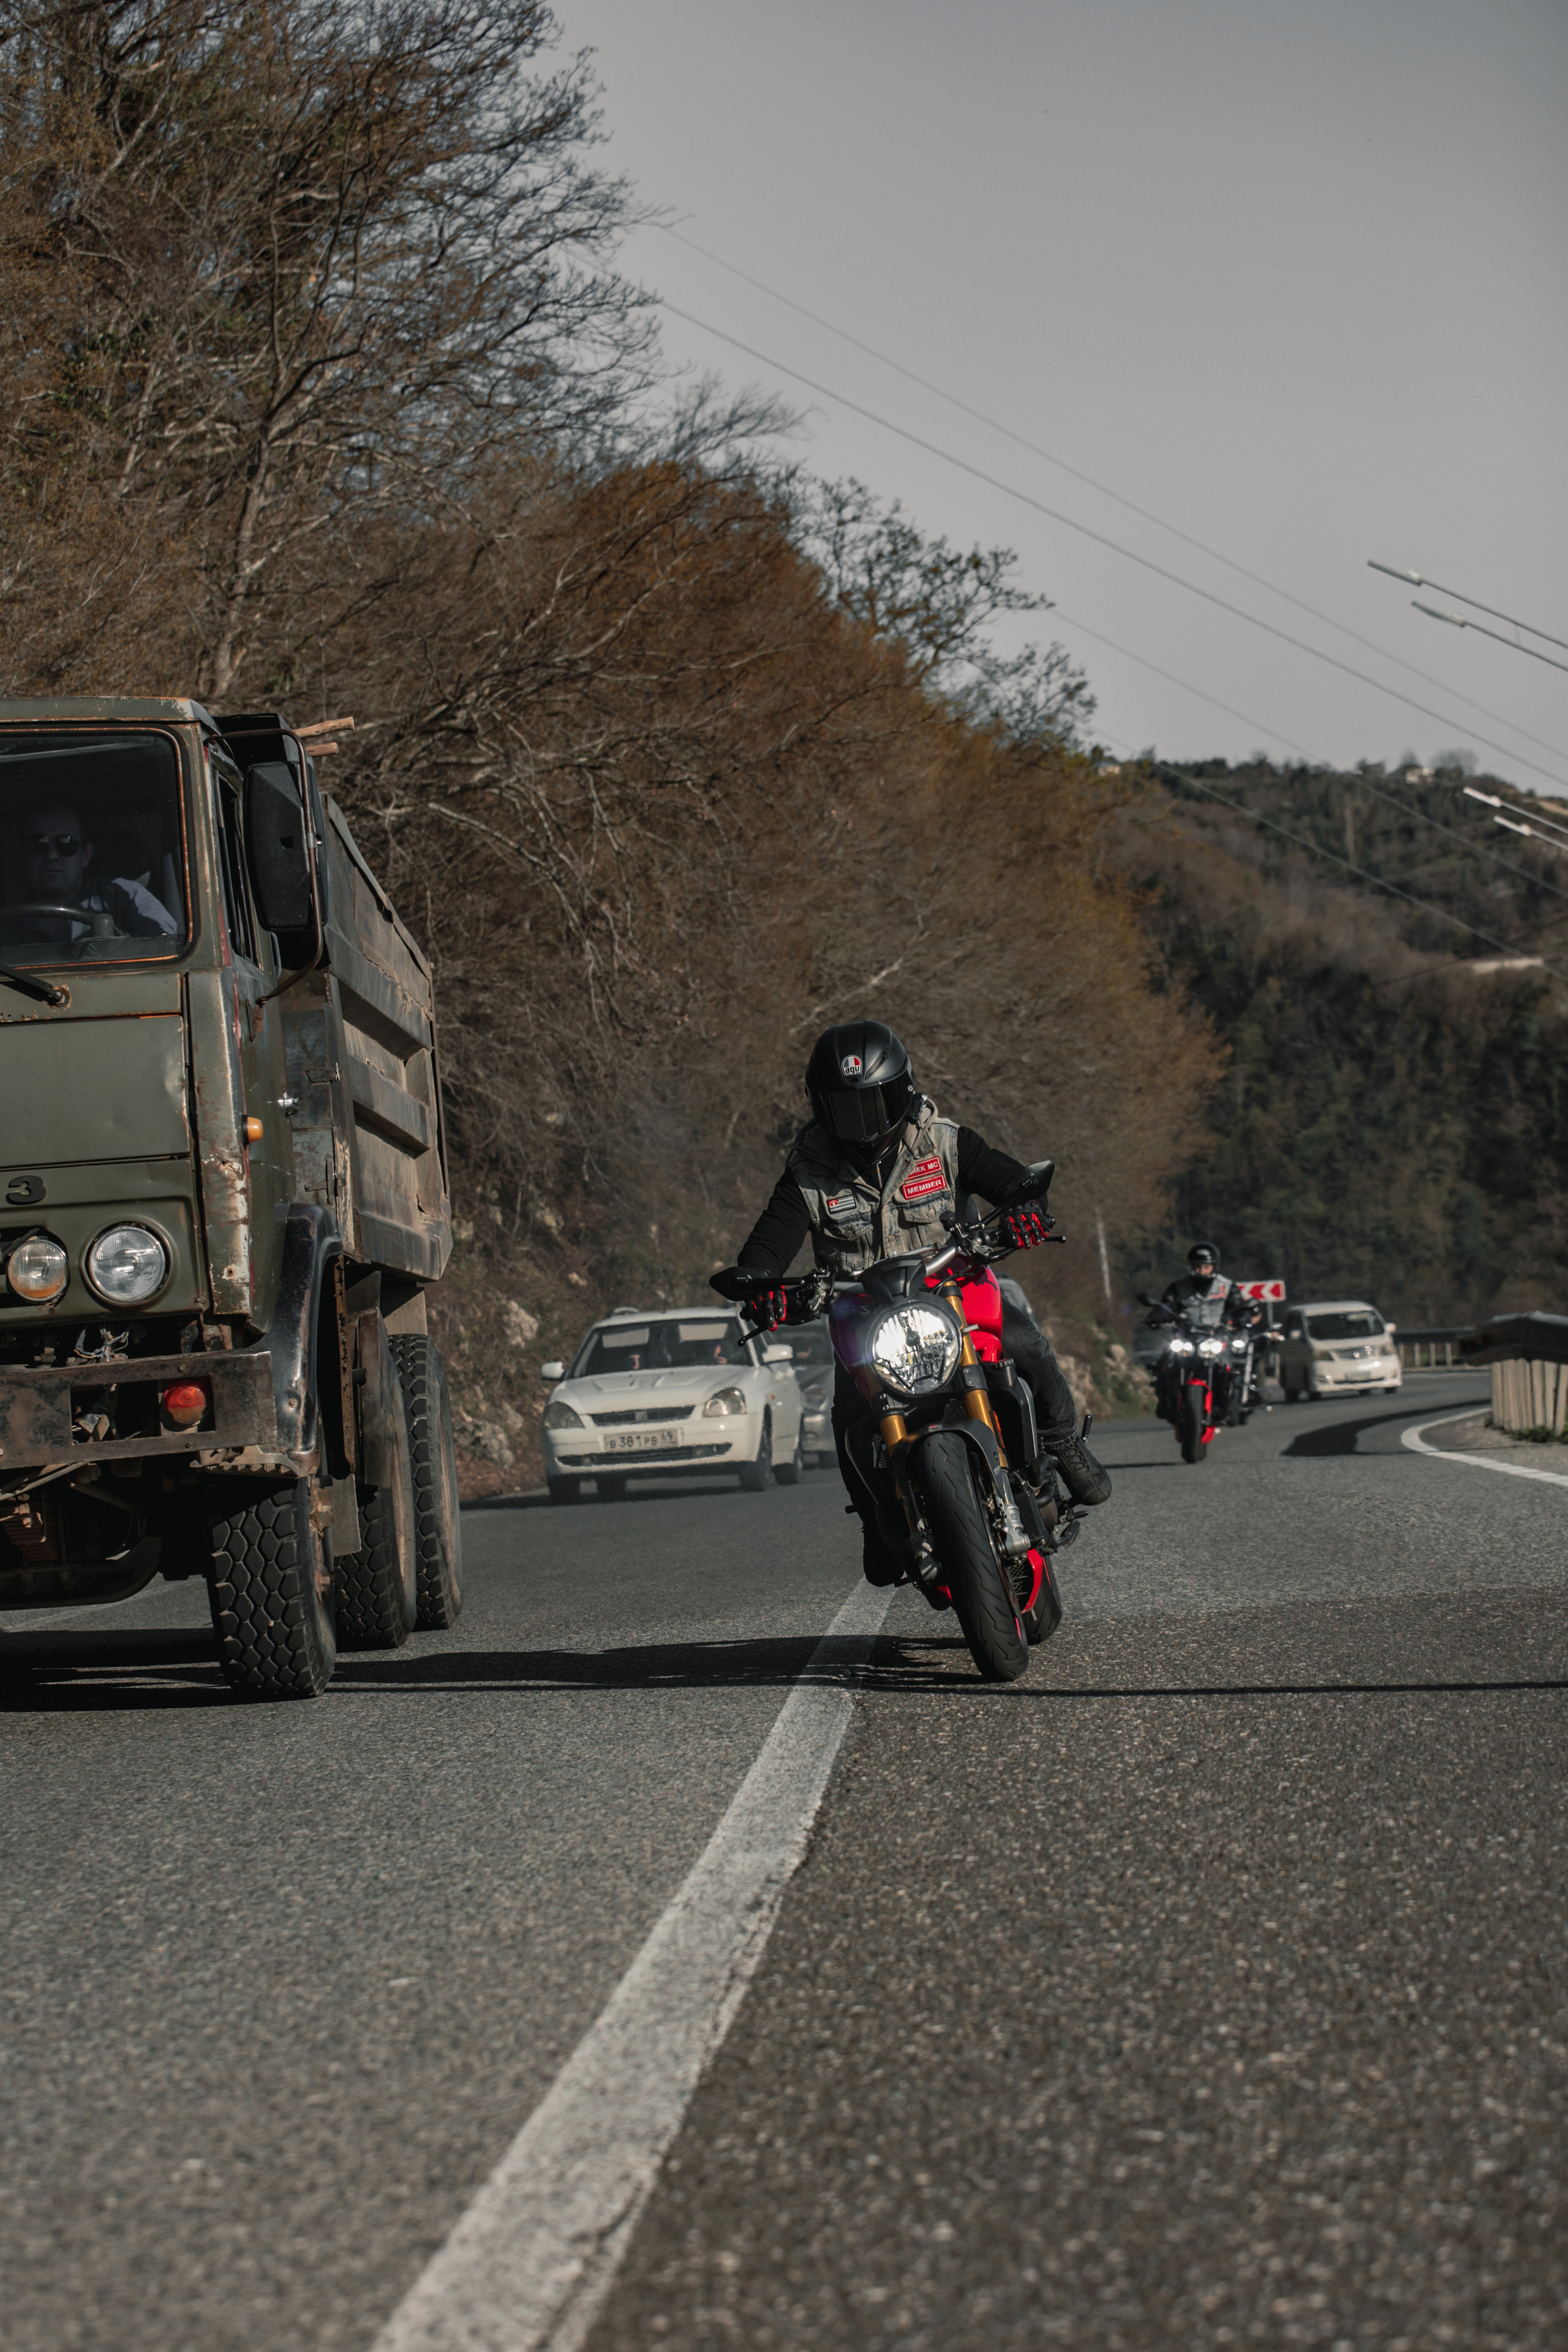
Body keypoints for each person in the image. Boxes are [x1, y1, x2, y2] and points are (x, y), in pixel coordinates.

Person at [733, 1019, 1110, 1584]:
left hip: (953, 1291)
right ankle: (876, 1519)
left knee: (1024, 1343)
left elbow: (1012, 1182)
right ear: (820, 1106)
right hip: (866, 1315)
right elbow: (769, 1244)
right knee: (847, 1418)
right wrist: (762, 1287)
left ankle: (1059, 1441)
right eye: (844, 1106)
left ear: (902, 1091)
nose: (860, 1120)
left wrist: (1024, 1208)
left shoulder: (947, 1141)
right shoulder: (806, 1175)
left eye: (873, 1102)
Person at [2, 801, 178, 944]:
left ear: (86, 855)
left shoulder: (124, 896)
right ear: (24, 855)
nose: (51, 855)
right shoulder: (7, 922)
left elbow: (165, 945)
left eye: (66, 843)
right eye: (38, 844)